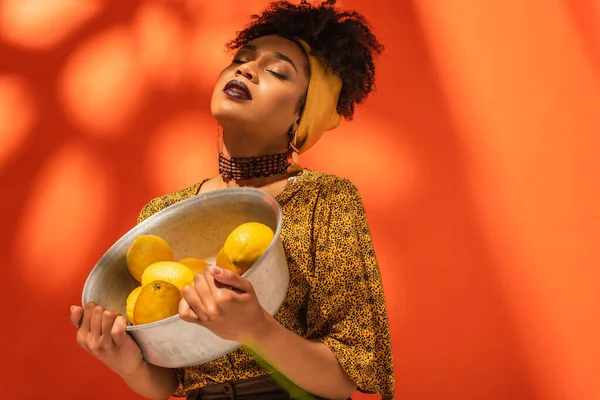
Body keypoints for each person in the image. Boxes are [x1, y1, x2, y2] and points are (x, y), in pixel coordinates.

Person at [69, 1, 395, 399]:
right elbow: (171, 382)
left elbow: (347, 375)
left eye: (276, 71)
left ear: (302, 115)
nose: (245, 69)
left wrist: (257, 328)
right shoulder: (162, 214)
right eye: (241, 59)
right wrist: (125, 360)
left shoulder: (325, 200)